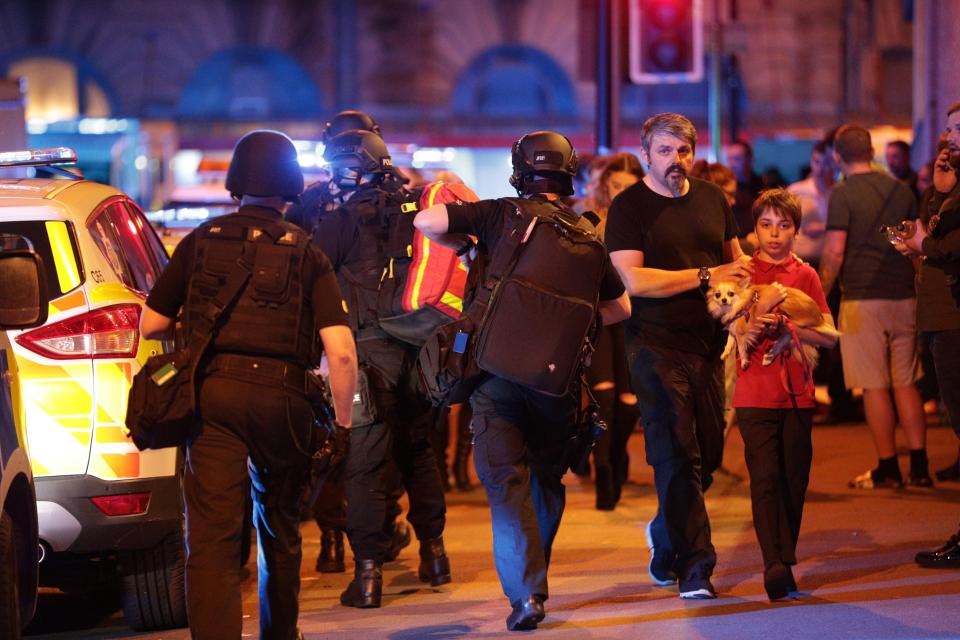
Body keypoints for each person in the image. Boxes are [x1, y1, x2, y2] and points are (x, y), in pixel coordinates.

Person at [140, 130, 359, 639]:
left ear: (236, 182)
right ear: (290, 186)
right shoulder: (308, 253)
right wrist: (343, 426)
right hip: (283, 403)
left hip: (212, 399)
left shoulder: (200, 241)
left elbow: (151, 325)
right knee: (279, 530)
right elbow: (342, 352)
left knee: (212, 540)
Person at [414, 130, 631, 630]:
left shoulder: (499, 214)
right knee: (546, 479)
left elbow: (428, 220)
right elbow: (621, 309)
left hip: (496, 377)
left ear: (519, 171)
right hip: (557, 385)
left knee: (505, 481)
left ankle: (527, 594)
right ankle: (534, 575)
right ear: (568, 172)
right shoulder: (588, 238)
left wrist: (469, 245)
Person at [606, 112, 752, 599]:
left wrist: (739, 309)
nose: (675, 160)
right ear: (646, 153)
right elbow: (637, 280)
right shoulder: (629, 208)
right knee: (676, 455)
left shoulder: (713, 199)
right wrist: (707, 275)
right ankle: (697, 567)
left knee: (707, 455)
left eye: (683, 151)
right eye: (665, 151)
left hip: (709, 346)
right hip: (653, 345)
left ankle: (666, 536)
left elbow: (740, 264)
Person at [314, 128, 450, 609]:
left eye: (337, 170)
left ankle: (368, 576)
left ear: (355, 168)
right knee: (419, 453)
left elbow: (312, 286)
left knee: (364, 466)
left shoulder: (338, 222)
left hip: (365, 358)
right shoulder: (420, 211)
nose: (332, 180)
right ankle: (435, 555)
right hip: (420, 355)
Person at [288, 110, 412, 575]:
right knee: (390, 441)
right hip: (396, 336)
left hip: (329, 337)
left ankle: (334, 540)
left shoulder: (313, 201)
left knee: (340, 440)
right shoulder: (400, 196)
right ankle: (380, 527)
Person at [731, 189, 837, 600]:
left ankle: (786, 556)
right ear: (754, 229)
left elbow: (828, 335)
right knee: (764, 479)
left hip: (797, 392)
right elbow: (728, 322)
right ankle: (773, 563)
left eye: (783, 225)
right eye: (766, 225)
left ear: (797, 230)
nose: (774, 235)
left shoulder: (806, 275)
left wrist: (790, 327)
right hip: (753, 390)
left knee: (795, 478)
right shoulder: (741, 271)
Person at [819, 124, 931, 489]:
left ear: (837, 156)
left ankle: (887, 467)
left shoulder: (843, 193)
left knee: (874, 385)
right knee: (907, 381)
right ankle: (919, 466)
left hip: (862, 298)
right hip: (904, 295)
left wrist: (819, 293)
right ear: (872, 152)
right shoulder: (901, 190)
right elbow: (915, 241)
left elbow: (835, 251)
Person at [895, 100, 960, 567]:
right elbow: (930, 230)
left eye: (959, 131)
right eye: (948, 129)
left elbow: (946, 244)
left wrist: (925, 246)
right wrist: (936, 191)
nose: (949, 139)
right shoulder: (949, 186)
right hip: (940, 316)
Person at [585, 153, 644, 510]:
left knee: (629, 402)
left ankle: (616, 452)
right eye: (617, 185)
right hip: (598, 314)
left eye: (629, 187)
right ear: (606, 185)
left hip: (634, 315)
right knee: (603, 397)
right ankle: (602, 468)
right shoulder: (590, 218)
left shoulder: (647, 218)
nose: (621, 192)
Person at [725, 139, 766, 241]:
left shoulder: (762, 184)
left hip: (759, 240)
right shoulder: (724, 188)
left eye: (737, 159)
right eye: (730, 159)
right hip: (733, 243)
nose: (732, 163)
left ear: (750, 160)